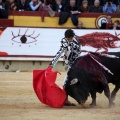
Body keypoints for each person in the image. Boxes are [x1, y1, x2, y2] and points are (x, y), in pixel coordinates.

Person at [49, 29, 81, 106]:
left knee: (76, 81)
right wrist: (51, 65)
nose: (69, 40)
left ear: (73, 36)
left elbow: (78, 50)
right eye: (67, 39)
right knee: (66, 82)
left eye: (70, 38)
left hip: (78, 63)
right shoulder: (65, 41)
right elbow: (60, 53)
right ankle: (65, 99)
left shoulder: (76, 40)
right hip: (71, 64)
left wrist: (71, 45)